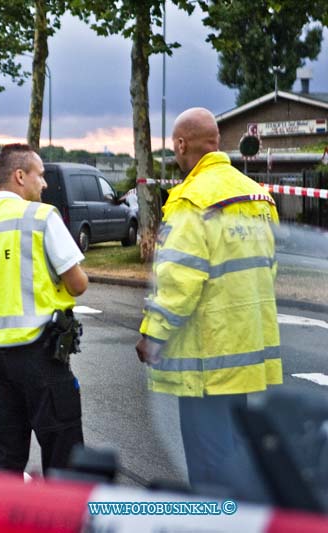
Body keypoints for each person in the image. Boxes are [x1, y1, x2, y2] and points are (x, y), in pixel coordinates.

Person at [135, 107, 282, 489]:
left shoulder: (191, 200)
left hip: (204, 361)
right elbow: (268, 268)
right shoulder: (258, 196)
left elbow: (179, 281)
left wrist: (152, 334)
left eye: (174, 147)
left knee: (209, 465)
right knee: (238, 457)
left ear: (182, 145)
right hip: (245, 353)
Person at [0, 143, 89, 475]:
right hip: (39, 354)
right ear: (19, 176)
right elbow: (78, 283)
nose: (44, 183)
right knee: (63, 455)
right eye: (39, 175)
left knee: (6, 460)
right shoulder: (40, 217)